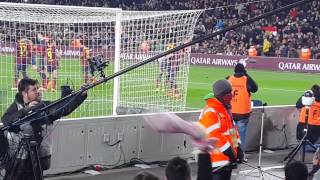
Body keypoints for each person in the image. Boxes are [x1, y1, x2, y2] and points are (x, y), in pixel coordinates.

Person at [1, 78, 87, 180]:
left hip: (37, 156)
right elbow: (7, 121)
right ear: (24, 93)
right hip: (18, 160)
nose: (38, 91)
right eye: (34, 90)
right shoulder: (15, 108)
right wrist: (26, 110)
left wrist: (80, 96)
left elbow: (62, 109)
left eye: (37, 88)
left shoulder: (41, 106)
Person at [198, 79, 243, 180]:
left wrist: (237, 147)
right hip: (215, 164)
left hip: (226, 162)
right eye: (229, 93)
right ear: (222, 95)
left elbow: (232, 130)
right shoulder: (210, 112)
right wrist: (230, 152)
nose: (232, 96)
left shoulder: (225, 110)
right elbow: (214, 136)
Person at [227, 63, 258, 153]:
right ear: (243, 71)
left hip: (231, 113)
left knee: (233, 135)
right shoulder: (246, 80)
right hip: (243, 114)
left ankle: (235, 153)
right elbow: (255, 88)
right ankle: (241, 155)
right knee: (241, 136)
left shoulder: (229, 79)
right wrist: (246, 74)